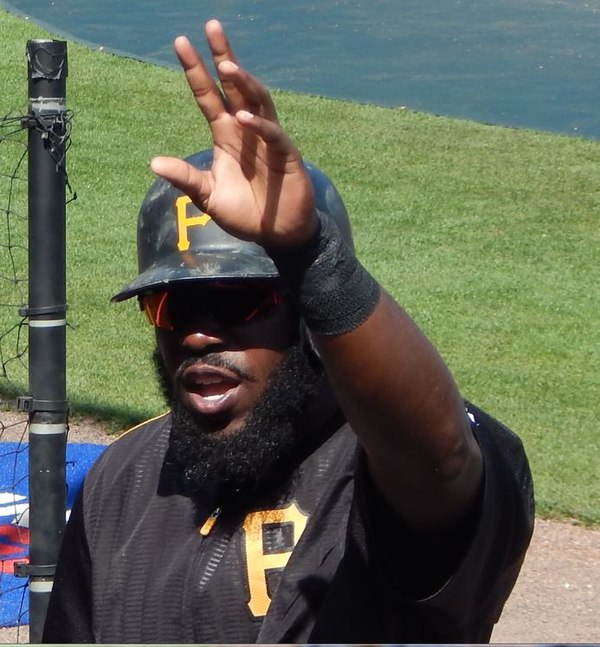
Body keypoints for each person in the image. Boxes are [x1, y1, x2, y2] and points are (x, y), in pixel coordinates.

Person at [42, 19, 533, 644]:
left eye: (238, 302)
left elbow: (438, 460)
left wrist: (312, 256)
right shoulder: (124, 480)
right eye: (171, 307)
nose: (197, 336)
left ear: (309, 315)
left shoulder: (381, 467)